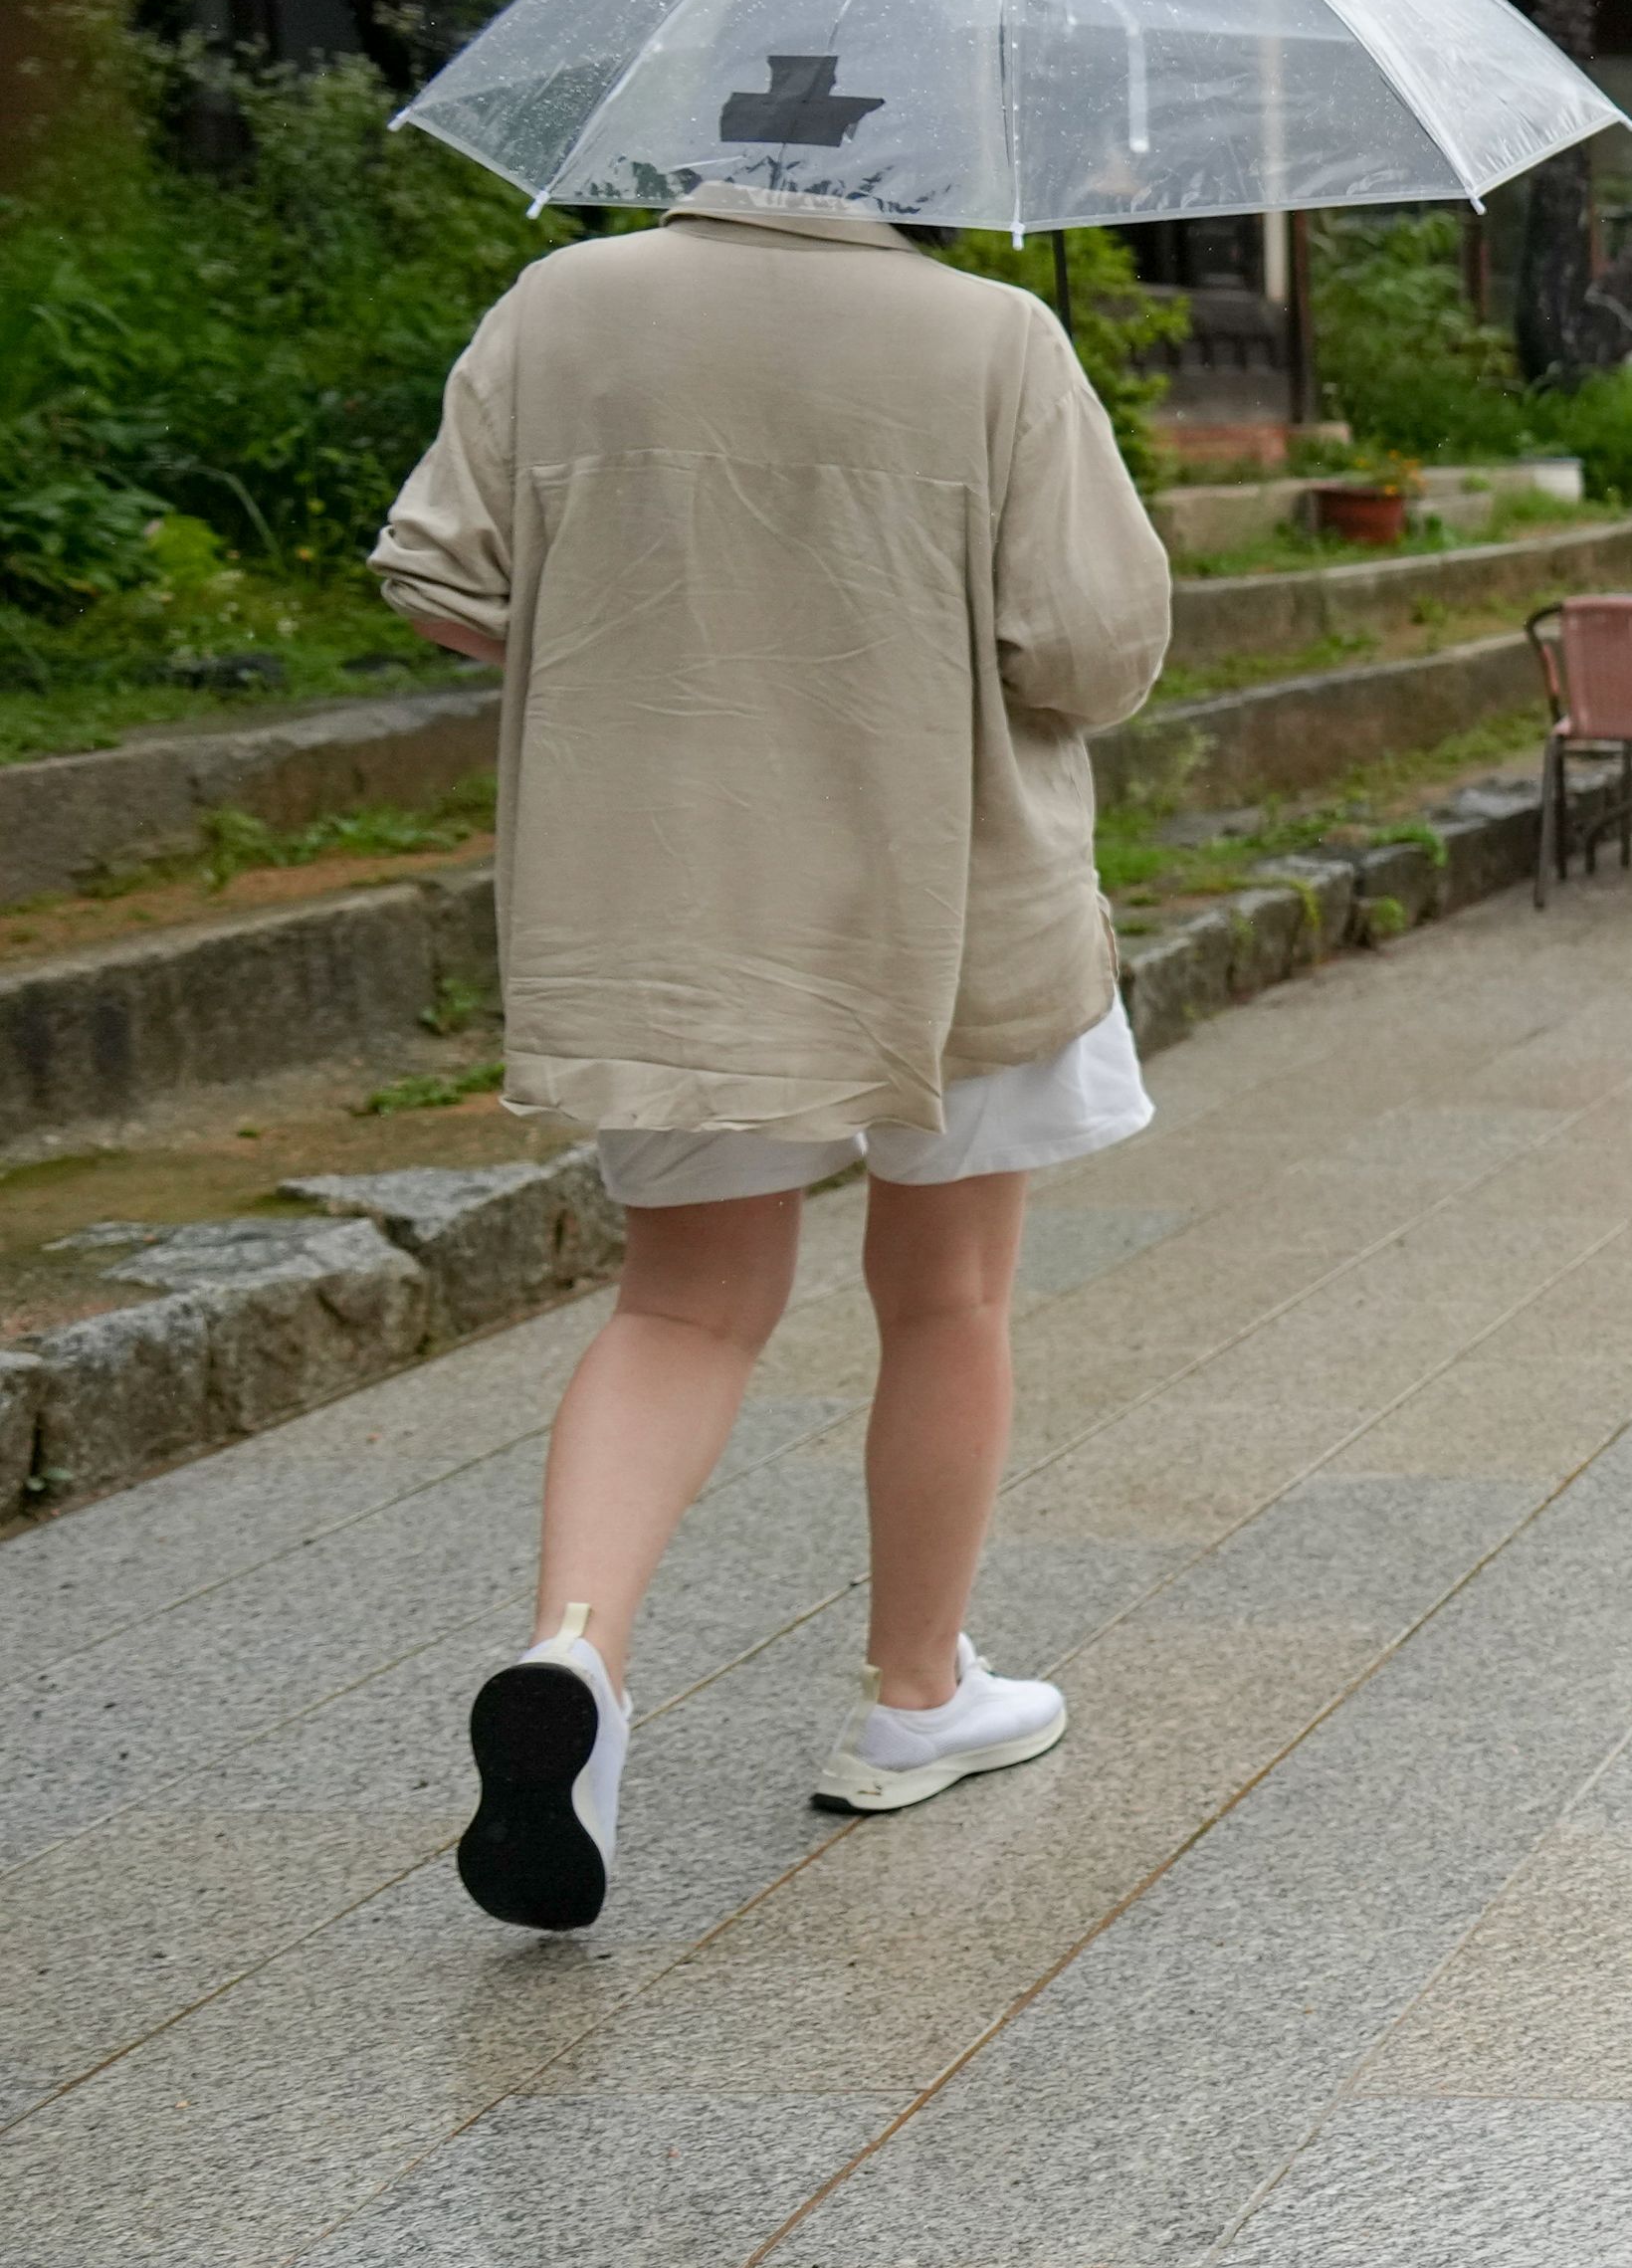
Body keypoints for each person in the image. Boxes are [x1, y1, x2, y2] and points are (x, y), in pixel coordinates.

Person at [372, 177, 1175, 1931]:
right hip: (945, 899)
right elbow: (1093, 653)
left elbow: (441, 580)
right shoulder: (994, 338)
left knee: (680, 1305)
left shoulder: (562, 306)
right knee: (946, 1293)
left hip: (668, 906)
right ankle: (914, 1696)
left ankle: (574, 1661)